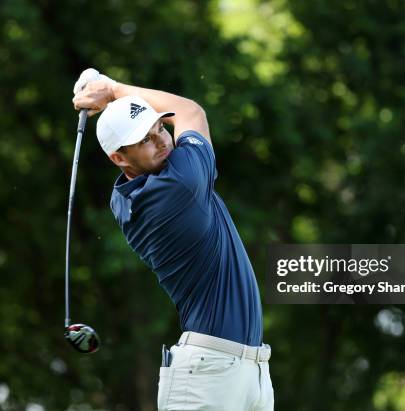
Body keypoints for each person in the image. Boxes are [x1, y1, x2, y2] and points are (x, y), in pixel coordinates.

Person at [72, 69, 274, 411]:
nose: (163, 140)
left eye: (160, 128)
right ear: (119, 159)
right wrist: (114, 89)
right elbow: (192, 112)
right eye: (146, 140)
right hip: (209, 373)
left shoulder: (129, 194)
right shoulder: (178, 184)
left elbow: (179, 119)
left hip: (247, 371)